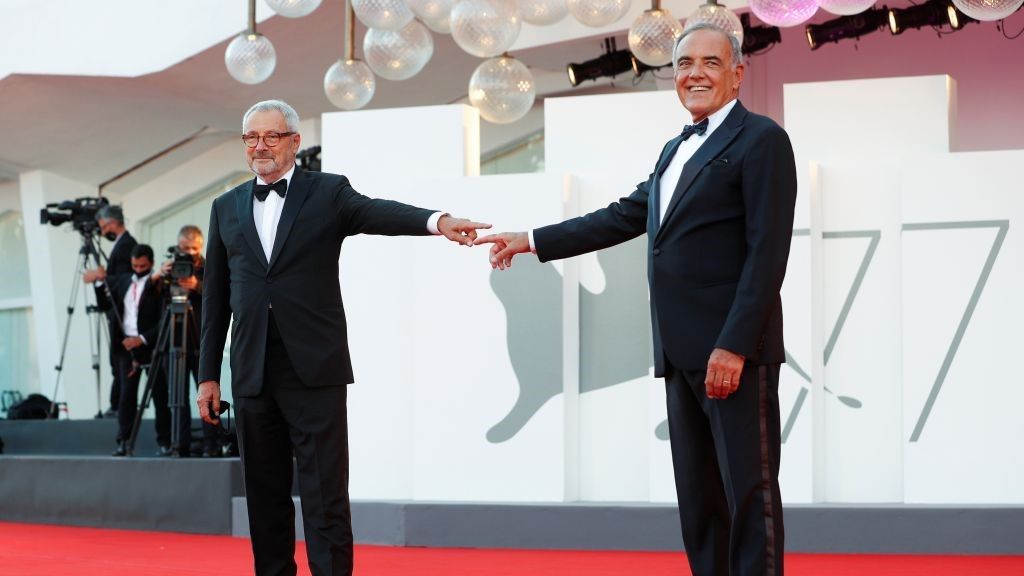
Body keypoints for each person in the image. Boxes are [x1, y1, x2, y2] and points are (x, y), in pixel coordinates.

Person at [476, 25, 797, 576]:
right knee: (700, 502)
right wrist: (531, 239)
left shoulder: (761, 140)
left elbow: (767, 254)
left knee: (750, 495)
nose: (695, 73)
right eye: (684, 63)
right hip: (676, 352)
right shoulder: (676, 147)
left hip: (731, 355)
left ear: (738, 72)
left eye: (710, 63)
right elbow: (624, 215)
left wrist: (734, 346)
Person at [197, 99, 490, 576]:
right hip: (251, 370)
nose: (260, 146)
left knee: (324, 492)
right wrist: (209, 376)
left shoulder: (327, 192)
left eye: (271, 136)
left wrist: (437, 222)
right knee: (264, 496)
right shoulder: (225, 206)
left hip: (313, 367)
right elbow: (215, 299)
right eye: (251, 138)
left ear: (294, 141)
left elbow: (377, 213)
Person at [149, 224, 212, 456]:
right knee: (176, 395)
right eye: (184, 248)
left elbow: (222, 296)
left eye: (194, 248)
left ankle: (211, 444)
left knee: (206, 394)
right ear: (177, 245)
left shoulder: (209, 267)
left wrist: (197, 286)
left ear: (201, 246)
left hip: (199, 338)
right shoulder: (171, 266)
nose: (188, 253)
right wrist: (158, 276)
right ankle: (179, 444)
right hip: (173, 338)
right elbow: (151, 301)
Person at [93, 244, 161, 456]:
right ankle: (124, 441)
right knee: (126, 395)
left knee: (159, 394)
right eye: (135, 265)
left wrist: (141, 339)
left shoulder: (158, 284)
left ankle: (165, 441)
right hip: (125, 347)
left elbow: (163, 319)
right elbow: (105, 303)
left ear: (150, 263)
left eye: (143, 265)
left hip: (150, 346)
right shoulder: (123, 280)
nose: (139, 269)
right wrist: (98, 280)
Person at [83, 204, 137, 417]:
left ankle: (118, 410)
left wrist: (100, 276)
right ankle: (116, 407)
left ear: (113, 223)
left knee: (122, 366)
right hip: (117, 317)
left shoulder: (126, 245)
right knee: (117, 365)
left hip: (122, 318)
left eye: (105, 227)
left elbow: (125, 281)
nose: (103, 232)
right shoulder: (122, 245)